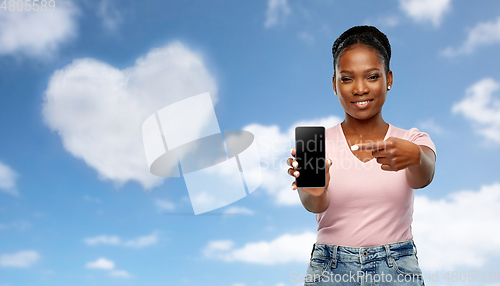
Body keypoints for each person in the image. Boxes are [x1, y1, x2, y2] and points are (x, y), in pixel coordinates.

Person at [286, 26, 436, 285]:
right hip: (331, 268)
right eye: (346, 78)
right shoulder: (313, 143)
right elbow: (314, 205)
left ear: (388, 79)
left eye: (372, 77)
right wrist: (315, 190)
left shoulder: (412, 139)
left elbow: (424, 176)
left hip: (397, 267)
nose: (359, 89)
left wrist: (415, 157)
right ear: (334, 84)